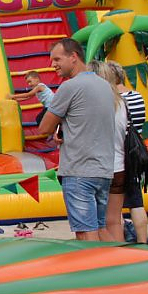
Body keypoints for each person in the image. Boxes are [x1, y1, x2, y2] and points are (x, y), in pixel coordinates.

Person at [38, 39, 116, 241]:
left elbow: (44, 128)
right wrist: (65, 128)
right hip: (103, 169)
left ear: (73, 57)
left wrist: (58, 125)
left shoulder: (70, 87)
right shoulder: (105, 86)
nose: (53, 65)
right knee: (100, 229)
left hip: (79, 170)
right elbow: (88, 121)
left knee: (85, 232)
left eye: (57, 59)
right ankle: (119, 260)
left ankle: (93, 263)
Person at [107, 60, 148, 244]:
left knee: (114, 207)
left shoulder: (113, 101)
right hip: (134, 154)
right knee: (136, 203)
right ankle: (143, 241)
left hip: (117, 155)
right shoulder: (137, 96)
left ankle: (118, 240)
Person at [90, 60, 129, 243]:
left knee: (95, 224)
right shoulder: (121, 103)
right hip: (119, 166)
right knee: (114, 221)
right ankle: (119, 255)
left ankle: (102, 255)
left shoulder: (93, 104)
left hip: (98, 167)